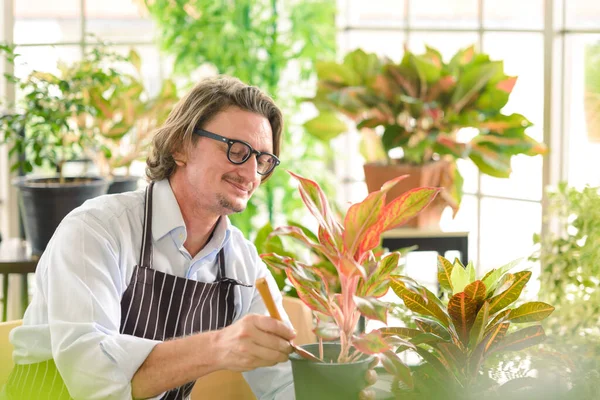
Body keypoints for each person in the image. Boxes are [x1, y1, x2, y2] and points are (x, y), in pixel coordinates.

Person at [2, 76, 376, 400]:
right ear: (181, 145)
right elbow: (90, 378)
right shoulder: (95, 230)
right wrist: (219, 347)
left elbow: (279, 386)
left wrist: (337, 387)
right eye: (237, 150)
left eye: (262, 160)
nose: (250, 172)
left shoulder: (242, 263)